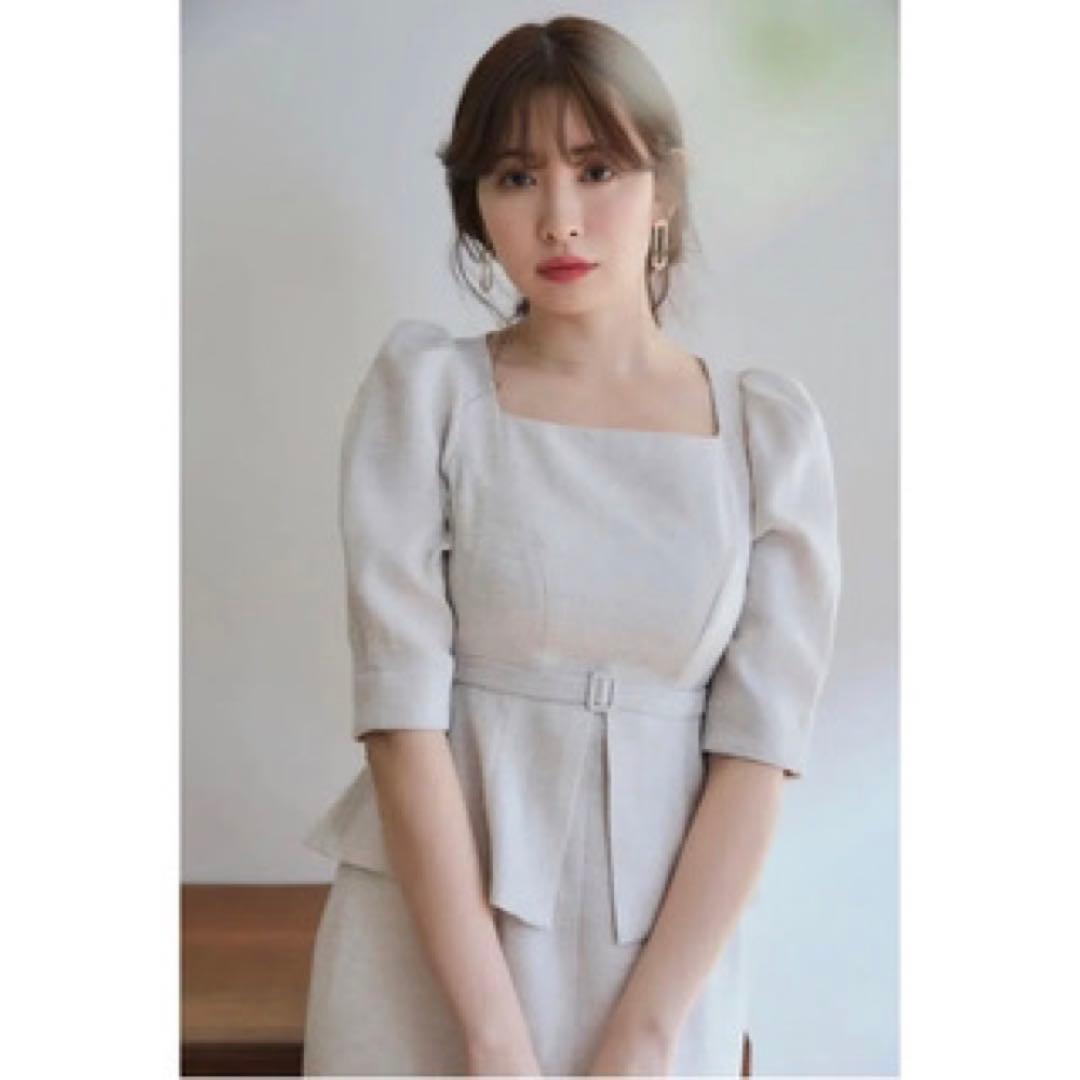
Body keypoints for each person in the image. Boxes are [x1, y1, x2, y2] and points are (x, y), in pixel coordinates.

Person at [301, 15, 841, 1078]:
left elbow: (757, 755)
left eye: (597, 170)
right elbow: (400, 723)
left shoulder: (767, 438)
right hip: (428, 949)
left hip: (658, 965)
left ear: (665, 187)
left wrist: (646, 1037)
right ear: (476, 205)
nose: (559, 217)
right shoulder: (428, 396)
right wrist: (491, 1037)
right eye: (515, 177)